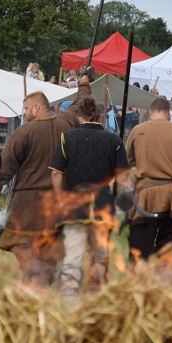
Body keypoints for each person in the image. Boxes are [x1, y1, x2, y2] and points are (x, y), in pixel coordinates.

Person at [0, 70, 93, 286]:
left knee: (24, 253)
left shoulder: (25, 131)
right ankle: (42, 296)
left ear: (36, 107)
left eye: (26, 108)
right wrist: (85, 82)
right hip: (55, 205)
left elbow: (5, 169)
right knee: (48, 256)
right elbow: (81, 102)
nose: (25, 113)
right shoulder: (66, 123)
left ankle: (31, 289)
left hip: (27, 205)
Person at [50, 96, 130, 301]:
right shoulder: (114, 141)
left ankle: (70, 302)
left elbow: (56, 174)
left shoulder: (66, 138)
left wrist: (59, 200)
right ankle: (96, 300)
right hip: (103, 208)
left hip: (75, 207)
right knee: (100, 258)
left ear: (79, 116)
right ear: (99, 116)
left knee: (73, 258)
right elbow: (123, 178)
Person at [125, 97, 172, 262]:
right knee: (170, 249)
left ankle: (138, 282)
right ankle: (167, 282)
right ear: (168, 112)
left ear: (150, 111)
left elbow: (130, 162)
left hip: (144, 194)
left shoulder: (137, 130)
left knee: (140, 249)